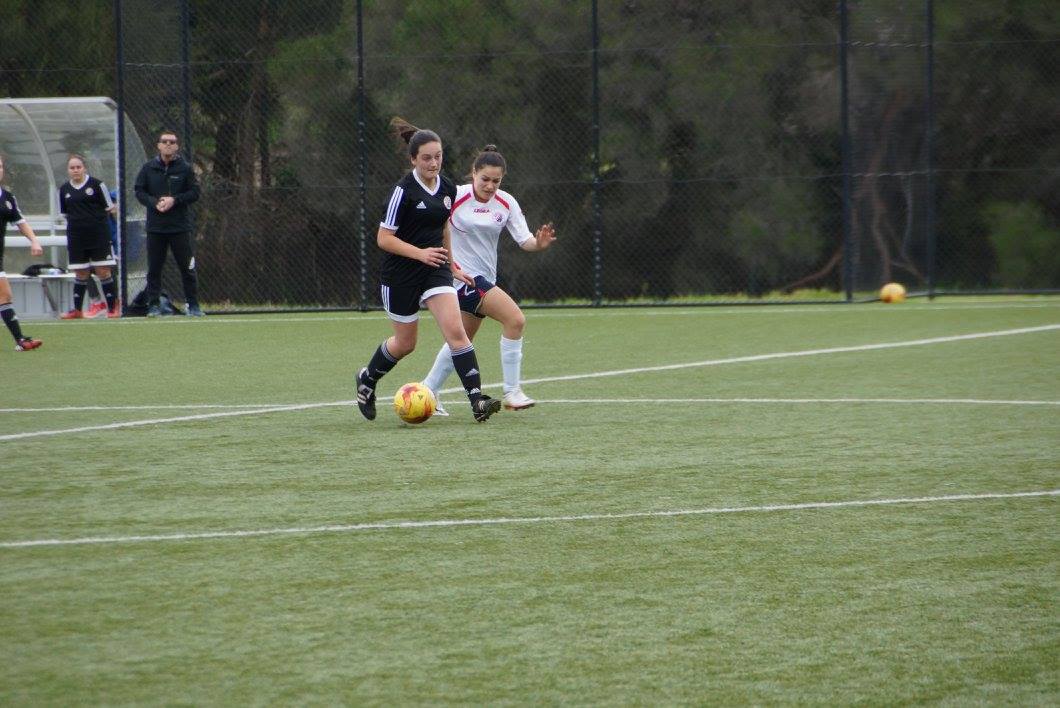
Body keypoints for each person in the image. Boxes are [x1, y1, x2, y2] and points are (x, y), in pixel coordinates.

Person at [355, 118, 502, 423]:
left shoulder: (447, 187)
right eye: (426, 158)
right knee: (405, 344)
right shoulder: (403, 192)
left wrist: (452, 266)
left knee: (457, 333)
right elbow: (384, 238)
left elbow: (444, 226)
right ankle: (367, 379)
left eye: (438, 157)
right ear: (413, 159)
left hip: (435, 271)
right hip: (401, 275)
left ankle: (477, 401)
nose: (433, 163)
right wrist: (420, 253)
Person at [421, 145, 556, 414]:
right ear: (473, 173)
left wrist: (538, 244)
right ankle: (512, 392)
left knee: (461, 340)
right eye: (485, 179)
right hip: (461, 279)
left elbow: (524, 240)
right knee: (515, 319)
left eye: (496, 181)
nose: (490, 186)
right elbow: (431, 227)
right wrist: (447, 264)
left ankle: (428, 390)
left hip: (484, 279)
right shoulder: (455, 196)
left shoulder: (506, 202)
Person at [133, 130, 203, 317]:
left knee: (187, 267)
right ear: (158, 145)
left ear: (177, 146)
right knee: (154, 268)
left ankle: (193, 305)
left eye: (172, 142)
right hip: (156, 228)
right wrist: (154, 203)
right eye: (164, 141)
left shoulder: (185, 168)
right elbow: (139, 191)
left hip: (179, 227)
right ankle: (154, 305)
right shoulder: (148, 168)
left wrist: (175, 200)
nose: (168, 145)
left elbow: (194, 193)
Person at [57, 154, 121, 319]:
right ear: (68, 170)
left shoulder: (97, 185)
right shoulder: (64, 190)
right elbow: (64, 213)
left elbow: (109, 208)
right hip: (77, 237)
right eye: (72, 168)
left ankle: (112, 308)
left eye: (78, 167)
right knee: (81, 272)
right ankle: (77, 310)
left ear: (84, 168)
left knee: (103, 271)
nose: (75, 170)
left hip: (98, 235)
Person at [0, 156, 43, 351]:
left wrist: (34, 240)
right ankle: (20, 340)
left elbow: (20, 222)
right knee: (4, 295)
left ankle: (20, 340)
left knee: (4, 296)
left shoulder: (7, 198)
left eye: (0, 166)